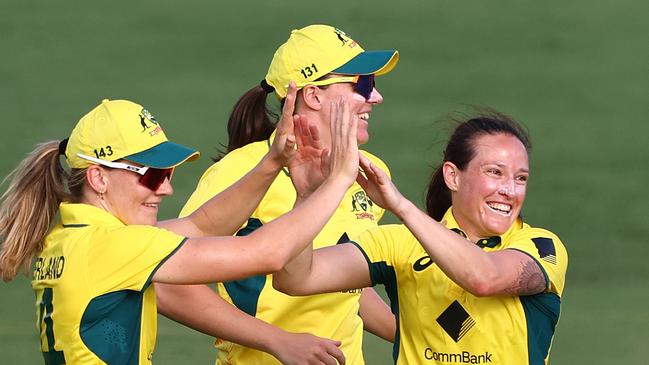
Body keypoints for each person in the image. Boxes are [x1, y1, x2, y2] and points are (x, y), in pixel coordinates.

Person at [0, 96, 360, 365]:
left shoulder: (68, 237)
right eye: (153, 175)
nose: (166, 189)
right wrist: (338, 179)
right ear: (98, 178)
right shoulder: (116, 247)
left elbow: (201, 225)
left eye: (168, 175)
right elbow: (266, 253)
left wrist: (271, 164)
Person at [155, 24, 400, 365]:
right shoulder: (243, 173)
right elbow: (167, 284)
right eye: (363, 84)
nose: (376, 97)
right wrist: (278, 341)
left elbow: (340, 280)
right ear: (313, 95)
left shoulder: (368, 172)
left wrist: (408, 333)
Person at [274, 112, 569, 364]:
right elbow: (295, 279)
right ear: (453, 177)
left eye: (520, 178)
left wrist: (401, 207)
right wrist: (306, 197)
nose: (509, 190)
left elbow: (484, 278)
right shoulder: (398, 244)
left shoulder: (542, 248)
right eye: (495, 172)